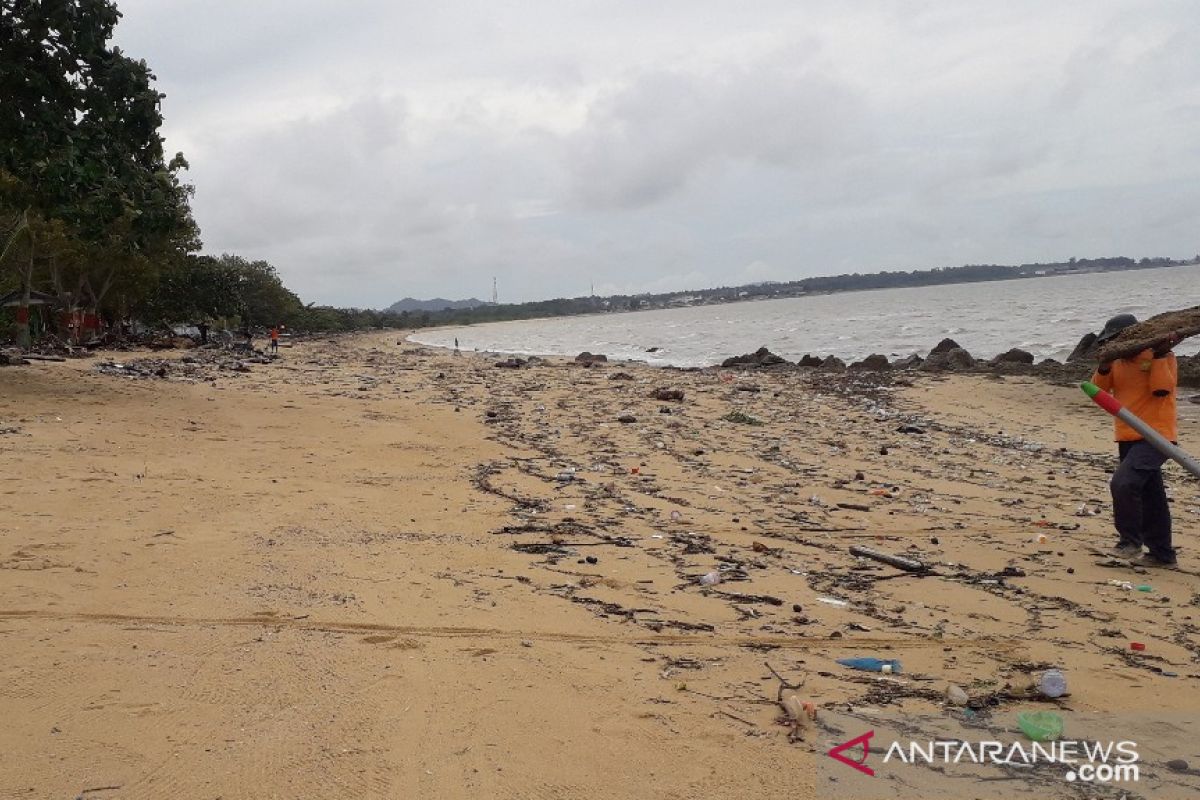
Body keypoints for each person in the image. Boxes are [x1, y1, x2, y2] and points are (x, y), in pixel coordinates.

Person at [1091, 313, 1179, 567]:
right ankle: (1163, 555)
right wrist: (1105, 365)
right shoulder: (1117, 362)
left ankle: (1129, 542)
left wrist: (1160, 355)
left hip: (1157, 436)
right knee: (1152, 495)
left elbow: (1161, 389)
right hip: (1127, 436)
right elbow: (1099, 391)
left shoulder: (1162, 356)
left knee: (1124, 483)